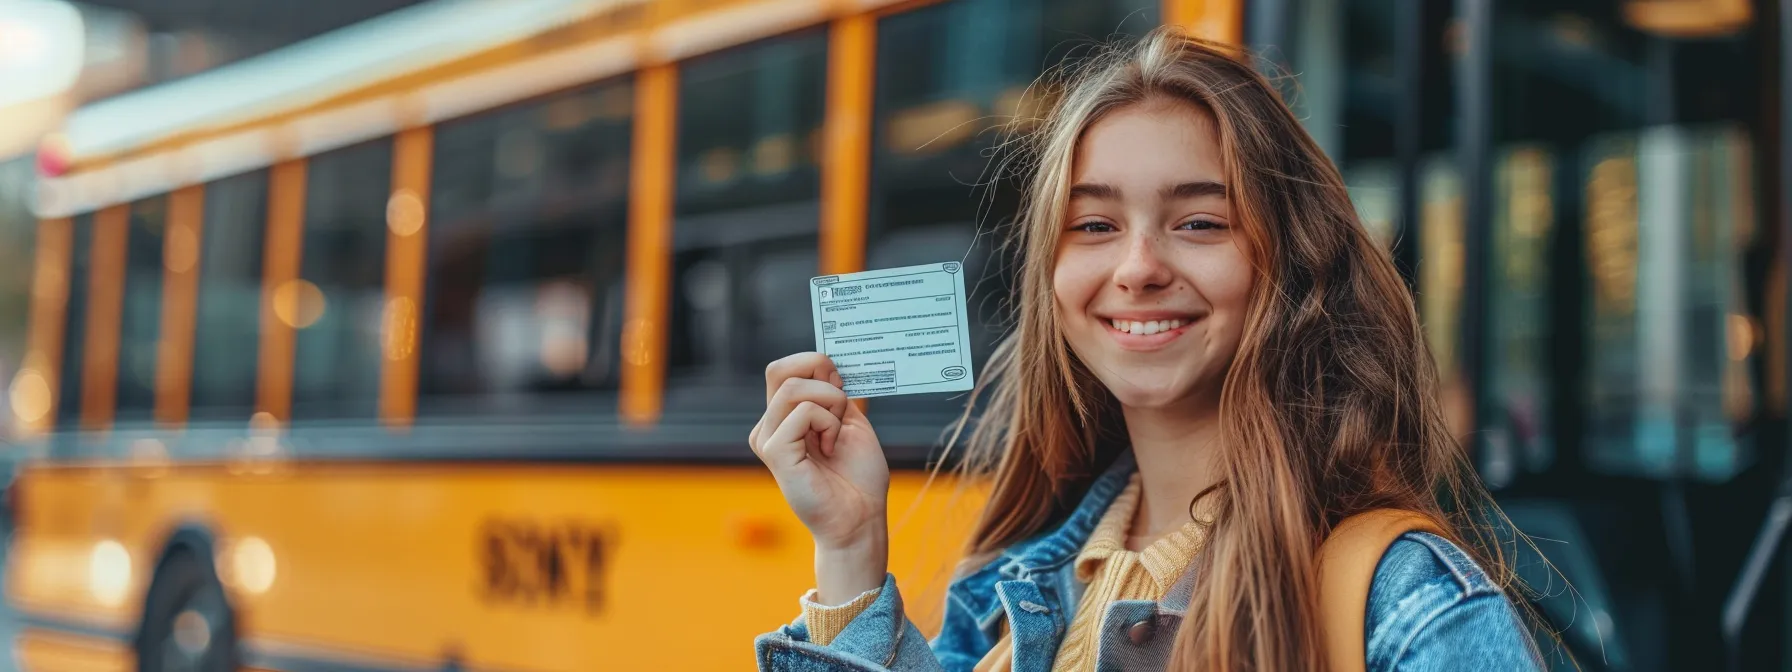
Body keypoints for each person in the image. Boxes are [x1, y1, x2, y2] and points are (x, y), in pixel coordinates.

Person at [748, 27, 1542, 671]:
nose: (1137, 268)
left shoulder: (1409, 605)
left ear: (1291, 261)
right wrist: (850, 552)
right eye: (1093, 226)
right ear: (1051, 278)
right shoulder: (1010, 586)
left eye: (1199, 222)